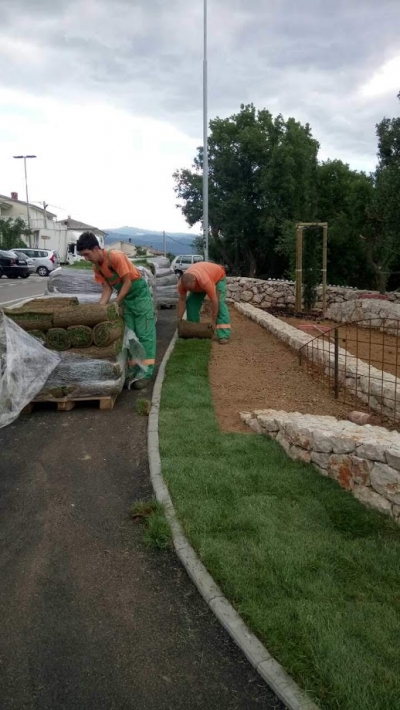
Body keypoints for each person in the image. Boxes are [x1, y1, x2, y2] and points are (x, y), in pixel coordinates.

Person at [76, 232, 156, 389]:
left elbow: (127, 283)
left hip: (139, 295)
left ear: (96, 248)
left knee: (144, 334)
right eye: (83, 256)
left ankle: (146, 374)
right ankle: (135, 370)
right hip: (126, 298)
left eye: (87, 254)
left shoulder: (115, 257)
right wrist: (100, 310)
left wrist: (116, 303)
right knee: (131, 335)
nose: (86, 258)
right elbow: (107, 288)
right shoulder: (97, 267)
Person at [177, 261, 231, 343]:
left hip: (218, 277)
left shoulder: (205, 281)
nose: (189, 290)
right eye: (187, 289)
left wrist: (213, 321)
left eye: (190, 288)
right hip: (201, 281)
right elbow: (182, 300)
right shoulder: (182, 284)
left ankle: (223, 335)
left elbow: (214, 301)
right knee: (191, 302)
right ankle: (193, 330)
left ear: (194, 280)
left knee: (220, 303)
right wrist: (179, 318)